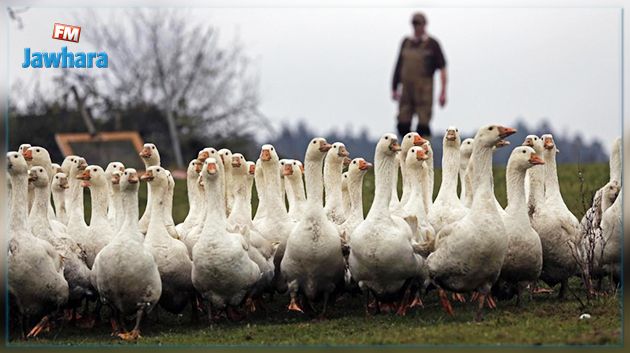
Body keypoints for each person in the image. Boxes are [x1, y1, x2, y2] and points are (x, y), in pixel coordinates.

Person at [392, 12, 447, 138]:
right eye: (414, 24)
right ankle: (405, 153)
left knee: (423, 127)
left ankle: (423, 155)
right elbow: (398, 66)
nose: (416, 27)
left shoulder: (432, 44)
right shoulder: (406, 42)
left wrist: (443, 92)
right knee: (403, 124)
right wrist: (394, 87)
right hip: (406, 90)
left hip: (424, 91)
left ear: (424, 25)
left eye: (419, 24)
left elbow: (443, 68)